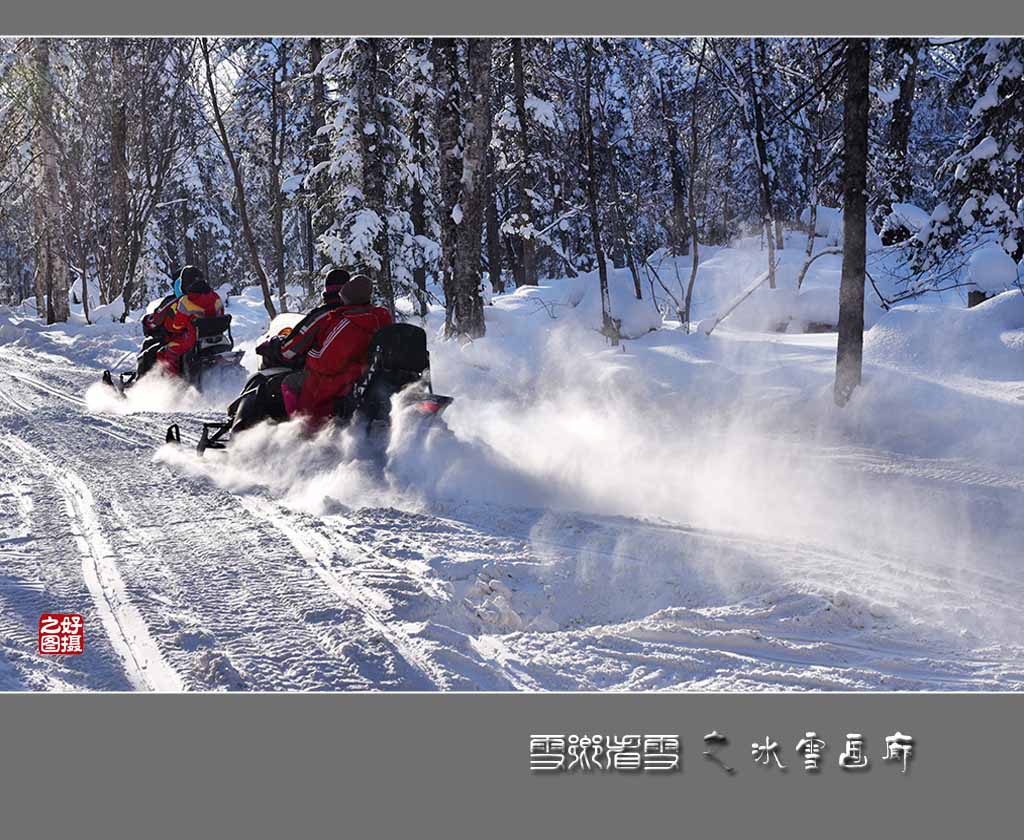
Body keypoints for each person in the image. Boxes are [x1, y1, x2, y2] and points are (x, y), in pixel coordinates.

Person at [281, 274, 392, 423]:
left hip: (342, 378)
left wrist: (309, 355)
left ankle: (301, 428)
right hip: (364, 375)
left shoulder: (346, 323)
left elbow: (324, 361)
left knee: (290, 381)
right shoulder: (379, 317)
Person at [256, 267, 350, 369]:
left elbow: (289, 350)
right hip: (347, 370)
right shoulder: (359, 314)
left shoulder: (325, 315)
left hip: (321, 372)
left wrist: (273, 345)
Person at [155, 265, 224, 377]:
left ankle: (172, 384)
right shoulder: (216, 297)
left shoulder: (185, 301)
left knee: (167, 351)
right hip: (217, 338)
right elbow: (221, 314)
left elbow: (177, 326)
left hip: (193, 340)